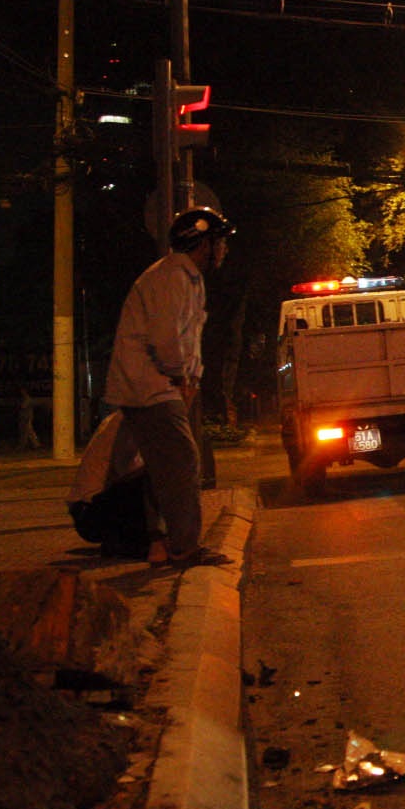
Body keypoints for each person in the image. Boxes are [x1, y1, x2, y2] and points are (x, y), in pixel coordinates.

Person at [102, 206, 233, 567]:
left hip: (158, 385)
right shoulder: (171, 277)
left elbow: (187, 338)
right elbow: (166, 338)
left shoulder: (187, 278)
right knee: (181, 463)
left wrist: (191, 378)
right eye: (219, 242)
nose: (223, 249)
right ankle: (184, 546)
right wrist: (180, 376)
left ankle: (157, 543)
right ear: (203, 244)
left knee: (157, 466)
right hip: (152, 386)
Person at [68, 411, 153, 559]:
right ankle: (128, 541)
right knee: (153, 477)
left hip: (91, 508)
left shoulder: (126, 417)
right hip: (91, 512)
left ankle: (129, 539)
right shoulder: (128, 420)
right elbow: (123, 472)